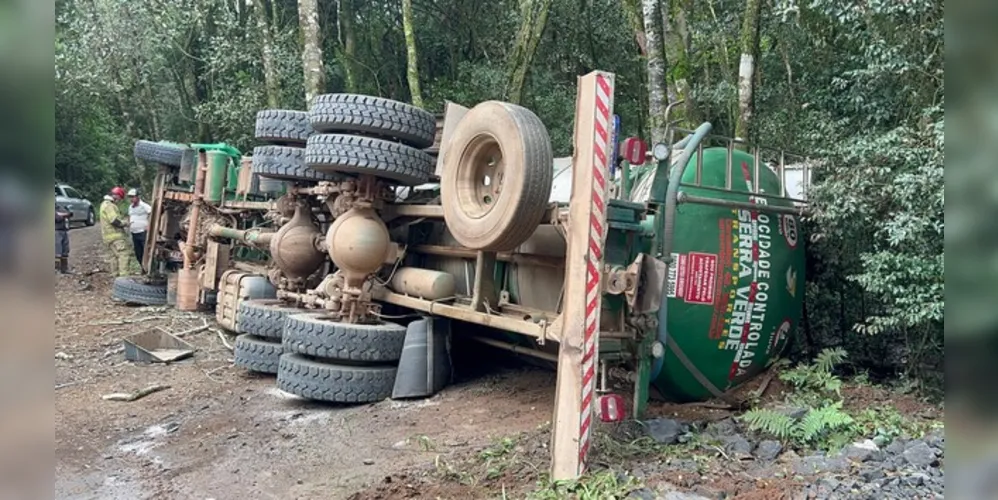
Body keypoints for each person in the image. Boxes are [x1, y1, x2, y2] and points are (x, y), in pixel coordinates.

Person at [100, 186, 138, 277]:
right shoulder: (109, 205)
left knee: (114, 257)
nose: (120, 201)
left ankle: (115, 277)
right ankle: (124, 277)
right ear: (116, 196)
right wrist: (125, 223)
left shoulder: (103, 204)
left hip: (108, 237)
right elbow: (114, 220)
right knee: (124, 255)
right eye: (120, 198)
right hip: (116, 237)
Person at [127, 188, 152, 270]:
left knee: (145, 251)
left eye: (133, 197)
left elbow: (152, 213)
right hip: (134, 232)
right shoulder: (130, 207)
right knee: (138, 253)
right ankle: (143, 267)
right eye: (130, 197)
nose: (131, 199)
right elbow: (130, 216)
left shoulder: (144, 206)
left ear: (138, 197)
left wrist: (149, 225)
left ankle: (147, 268)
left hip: (142, 232)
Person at [55, 201, 73, 274]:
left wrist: (63, 215)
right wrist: (65, 215)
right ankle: (56, 269)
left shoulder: (59, 207)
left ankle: (64, 269)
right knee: (57, 251)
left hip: (64, 230)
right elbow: (57, 218)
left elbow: (70, 214)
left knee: (65, 250)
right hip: (56, 231)